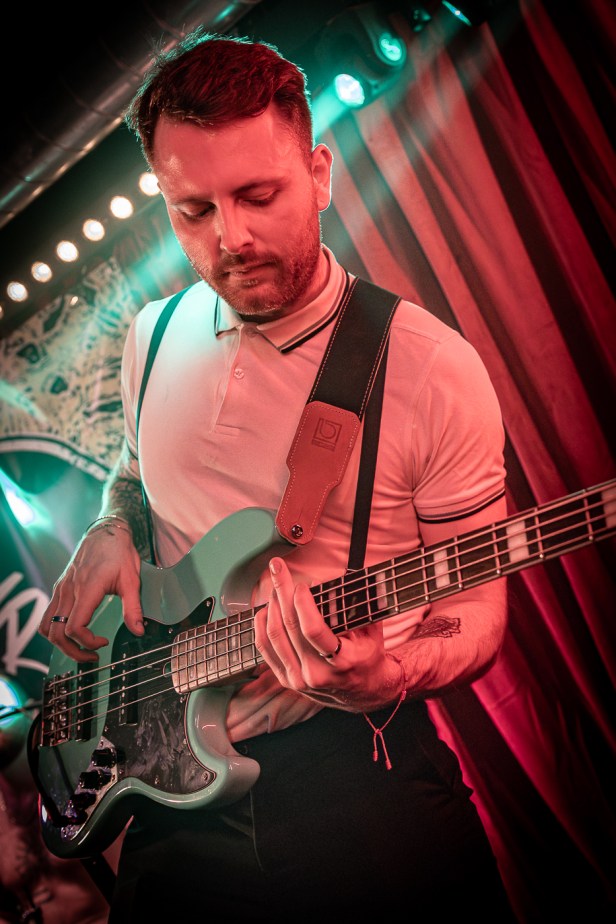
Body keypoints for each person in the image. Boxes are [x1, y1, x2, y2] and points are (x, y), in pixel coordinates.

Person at [38, 28, 516, 923]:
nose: (232, 237)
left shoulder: (429, 367)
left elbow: (482, 604)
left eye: (259, 195)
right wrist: (110, 523)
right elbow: (135, 473)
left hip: (354, 780)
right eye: (193, 211)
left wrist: (387, 674)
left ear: (320, 172)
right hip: (168, 791)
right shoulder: (152, 334)